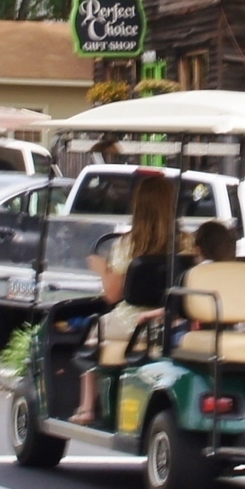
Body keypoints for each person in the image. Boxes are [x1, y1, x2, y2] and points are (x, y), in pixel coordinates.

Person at [76, 173, 187, 424]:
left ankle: (86, 407)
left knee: (95, 328)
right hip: (173, 319)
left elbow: (113, 294)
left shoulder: (127, 244)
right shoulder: (186, 242)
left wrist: (102, 269)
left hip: (133, 321)